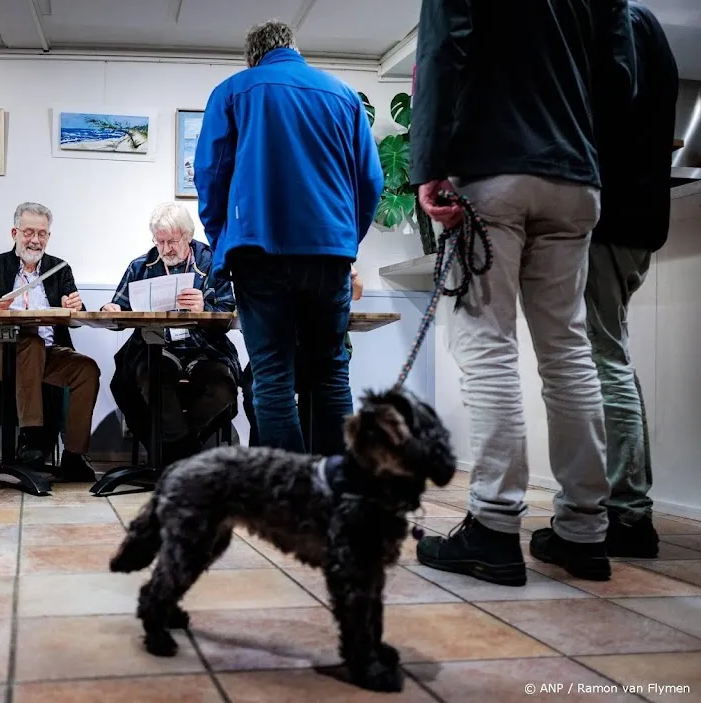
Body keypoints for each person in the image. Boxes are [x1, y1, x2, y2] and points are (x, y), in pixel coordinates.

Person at [409, 0, 636, 584]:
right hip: (575, 177)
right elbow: (618, 75)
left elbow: (440, 52)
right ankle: (585, 532)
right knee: (569, 351)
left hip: (493, 170)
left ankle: (492, 528)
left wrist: (430, 165)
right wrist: (578, 149)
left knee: (489, 347)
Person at [193, 19, 383, 457]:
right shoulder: (343, 96)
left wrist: (225, 240)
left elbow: (211, 175)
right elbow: (371, 181)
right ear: (293, 49)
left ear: (252, 57)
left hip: (259, 253)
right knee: (331, 371)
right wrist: (345, 240)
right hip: (328, 255)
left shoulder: (234, 90)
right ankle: (338, 488)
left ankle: (293, 494)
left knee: (273, 375)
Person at [590, 2, 678, 558]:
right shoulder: (650, 29)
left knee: (604, 359)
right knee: (609, 355)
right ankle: (621, 504)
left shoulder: (614, 24)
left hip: (611, 218)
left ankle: (627, 514)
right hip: (639, 219)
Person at [0, 202, 99, 483]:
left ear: (49, 237)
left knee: (86, 369)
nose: (35, 240)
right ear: (14, 232)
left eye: (42, 233)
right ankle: (32, 441)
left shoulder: (59, 269)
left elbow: (76, 316)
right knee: (30, 345)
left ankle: (74, 456)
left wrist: (74, 304)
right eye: (29, 232)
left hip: (48, 353)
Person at [104, 202, 240, 464]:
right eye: (160, 241)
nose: (165, 249)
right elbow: (117, 309)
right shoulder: (141, 266)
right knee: (149, 377)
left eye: (172, 242)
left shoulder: (212, 263)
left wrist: (204, 307)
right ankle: (182, 456)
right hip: (157, 347)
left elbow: (228, 310)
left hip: (205, 349)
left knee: (222, 387)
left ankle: (170, 455)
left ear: (188, 237)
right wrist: (110, 308)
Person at [242, 266, 364, 448]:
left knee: (316, 386)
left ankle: (307, 456)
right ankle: (264, 454)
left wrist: (351, 276)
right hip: (286, 346)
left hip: (317, 345)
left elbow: (357, 291)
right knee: (254, 384)